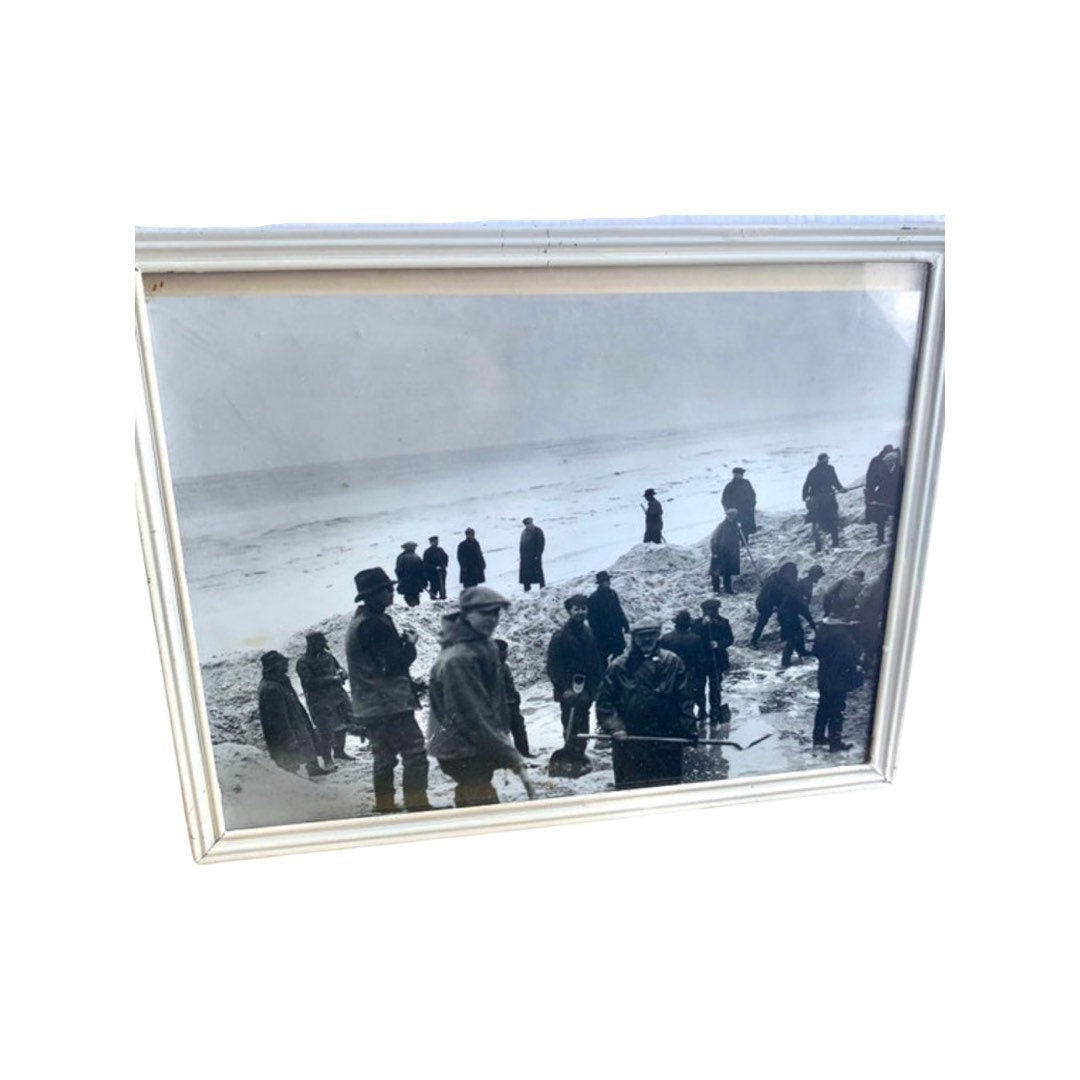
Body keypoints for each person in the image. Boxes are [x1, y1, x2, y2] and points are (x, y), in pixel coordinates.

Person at [345, 567, 434, 814]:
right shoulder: (375, 623)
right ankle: (417, 805)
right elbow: (393, 664)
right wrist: (410, 644)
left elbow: (374, 665)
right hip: (389, 705)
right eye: (387, 590)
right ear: (372, 595)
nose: (392, 593)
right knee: (414, 753)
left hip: (371, 706)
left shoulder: (359, 622)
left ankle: (384, 805)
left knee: (383, 757)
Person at [428, 587, 524, 807]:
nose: (491, 619)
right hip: (461, 747)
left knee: (477, 794)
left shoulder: (480, 645)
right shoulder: (459, 658)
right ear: (466, 614)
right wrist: (509, 753)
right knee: (479, 800)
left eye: (496, 613)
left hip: (474, 742)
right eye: (484, 613)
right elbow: (471, 714)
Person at [595, 618, 697, 791]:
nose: (647, 640)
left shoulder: (672, 662)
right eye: (642, 636)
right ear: (633, 638)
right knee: (633, 794)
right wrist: (616, 728)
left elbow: (685, 698)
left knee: (667, 792)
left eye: (651, 635)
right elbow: (605, 703)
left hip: (666, 740)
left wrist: (689, 729)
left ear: (658, 636)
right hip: (631, 742)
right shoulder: (619, 666)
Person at [546, 594, 604, 767]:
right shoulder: (560, 636)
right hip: (568, 690)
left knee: (584, 722)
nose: (580, 612)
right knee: (570, 724)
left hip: (585, 689)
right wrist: (565, 690)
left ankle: (580, 754)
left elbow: (595, 663)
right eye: (576, 609)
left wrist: (595, 688)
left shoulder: (589, 633)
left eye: (583, 608)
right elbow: (554, 667)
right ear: (569, 611)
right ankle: (570, 757)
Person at [257, 651, 334, 777]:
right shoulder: (271, 688)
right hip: (287, 728)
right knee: (288, 759)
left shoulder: (280, 682)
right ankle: (292, 780)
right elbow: (279, 720)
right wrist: (289, 738)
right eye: (283, 664)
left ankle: (312, 768)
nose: (286, 666)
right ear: (274, 666)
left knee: (308, 742)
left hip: (296, 720)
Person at [296, 631, 355, 765]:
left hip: (337, 696)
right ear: (312, 644)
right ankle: (327, 758)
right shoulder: (302, 662)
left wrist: (343, 673)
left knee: (342, 724)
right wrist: (332, 679)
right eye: (320, 643)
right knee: (325, 729)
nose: (323, 646)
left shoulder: (329, 657)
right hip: (320, 700)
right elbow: (309, 682)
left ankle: (339, 752)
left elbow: (339, 669)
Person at [812, 615, 864, 752]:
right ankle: (835, 744)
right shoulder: (843, 634)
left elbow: (815, 651)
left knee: (823, 705)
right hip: (838, 678)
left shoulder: (822, 629)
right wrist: (856, 666)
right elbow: (847, 657)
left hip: (823, 674)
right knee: (837, 709)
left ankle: (818, 738)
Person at [660, 610, 709, 722]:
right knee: (694, 698)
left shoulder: (666, 638)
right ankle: (700, 719)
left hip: (671, 674)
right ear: (688, 624)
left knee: (673, 699)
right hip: (692, 674)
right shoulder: (696, 639)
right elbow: (701, 660)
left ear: (675, 624)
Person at [692, 598, 735, 722]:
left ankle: (715, 711)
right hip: (701, 661)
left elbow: (730, 639)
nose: (711, 613)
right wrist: (703, 626)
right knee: (699, 687)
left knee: (715, 687)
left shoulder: (723, 622)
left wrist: (718, 644)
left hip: (717, 660)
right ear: (703, 611)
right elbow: (693, 638)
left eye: (714, 610)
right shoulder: (697, 624)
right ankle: (701, 709)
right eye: (708, 610)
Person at [802, 452, 847, 552]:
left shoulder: (815, 471)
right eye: (826, 460)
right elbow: (835, 482)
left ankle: (824, 546)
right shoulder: (826, 469)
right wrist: (841, 488)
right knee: (830, 521)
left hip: (822, 500)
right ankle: (833, 544)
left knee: (819, 522)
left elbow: (806, 486)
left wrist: (805, 497)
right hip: (824, 500)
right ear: (823, 460)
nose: (827, 462)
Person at [496, 639, 533, 758]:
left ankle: (524, 753)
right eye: (503, 652)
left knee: (518, 727)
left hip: (510, 703)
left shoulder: (504, 666)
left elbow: (509, 684)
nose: (505, 654)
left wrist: (515, 697)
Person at [587, 570, 630, 665]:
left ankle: (617, 672)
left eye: (607, 580)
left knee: (619, 652)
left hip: (616, 630)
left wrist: (625, 624)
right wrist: (597, 633)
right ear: (600, 583)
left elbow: (618, 610)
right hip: (603, 634)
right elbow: (591, 619)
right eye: (604, 581)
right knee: (603, 656)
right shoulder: (593, 598)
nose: (607, 583)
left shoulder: (613, 594)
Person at [750, 564, 796, 647]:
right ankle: (753, 640)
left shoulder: (775, 576)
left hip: (773, 600)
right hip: (765, 603)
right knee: (763, 620)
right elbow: (770, 595)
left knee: (783, 617)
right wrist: (773, 606)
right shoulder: (777, 581)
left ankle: (784, 637)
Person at [777, 569, 817, 668]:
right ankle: (785, 662)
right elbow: (804, 607)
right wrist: (812, 624)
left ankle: (802, 651)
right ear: (816, 576)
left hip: (789, 611)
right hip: (787, 613)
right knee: (792, 638)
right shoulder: (806, 585)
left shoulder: (805, 582)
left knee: (799, 632)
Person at [866, 449, 904, 544]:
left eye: (887, 462)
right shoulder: (882, 470)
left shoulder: (901, 470)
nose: (886, 464)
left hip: (895, 497)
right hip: (882, 498)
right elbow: (873, 484)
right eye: (885, 462)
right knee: (881, 519)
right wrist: (871, 497)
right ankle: (880, 539)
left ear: (893, 461)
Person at [709, 508, 743, 594]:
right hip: (720, 552)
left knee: (728, 571)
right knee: (716, 571)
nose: (732, 517)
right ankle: (716, 590)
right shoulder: (722, 526)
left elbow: (740, 538)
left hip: (731, 553)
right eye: (730, 515)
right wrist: (714, 552)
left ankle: (728, 589)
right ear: (727, 516)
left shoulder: (736, 526)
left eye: (733, 516)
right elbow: (714, 539)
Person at [721, 467, 757, 535]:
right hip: (736, 513)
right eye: (736, 474)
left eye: (740, 474)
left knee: (750, 529)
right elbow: (724, 500)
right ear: (734, 475)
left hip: (748, 511)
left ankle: (748, 542)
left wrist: (752, 505)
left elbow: (752, 495)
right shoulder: (729, 486)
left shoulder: (746, 483)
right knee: (738, 532)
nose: (738, 476)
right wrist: (729, 511)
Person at [394, 542, 427, 607]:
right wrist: (424, 582)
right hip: (416, 583)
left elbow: (398, 571)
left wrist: (401, 579)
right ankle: (415, 608)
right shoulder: (417, 557)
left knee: (409, 597)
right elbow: (422, 571)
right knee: (415, 597)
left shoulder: (401, 557)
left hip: (406, 582)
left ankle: (413, 608)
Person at [519, 517, 546, 592]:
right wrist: (521, 555)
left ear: (532, 523)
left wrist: (538, 554)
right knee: (526, 573)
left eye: (529, 523)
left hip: (535, 556)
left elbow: (541, 543)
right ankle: (527, 589)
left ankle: (542, 587)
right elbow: (521, 544)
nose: (528, 525)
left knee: (538, 571)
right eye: (526, 524)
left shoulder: (538, 531)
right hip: (525, 557)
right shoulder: (524, 532)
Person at [422, 535, 449, 599]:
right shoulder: (427, 552)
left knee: (442, 587)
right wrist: (435, 567)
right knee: (434, 588)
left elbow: (446, 558)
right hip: (433, 574)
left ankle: (443, 598)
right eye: (434, 542)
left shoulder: (440, 550)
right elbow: (426, 564)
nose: (436, 543)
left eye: (436, 541)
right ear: (431, 543)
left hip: (442, 573)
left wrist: (444, 566)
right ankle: (434, 601)